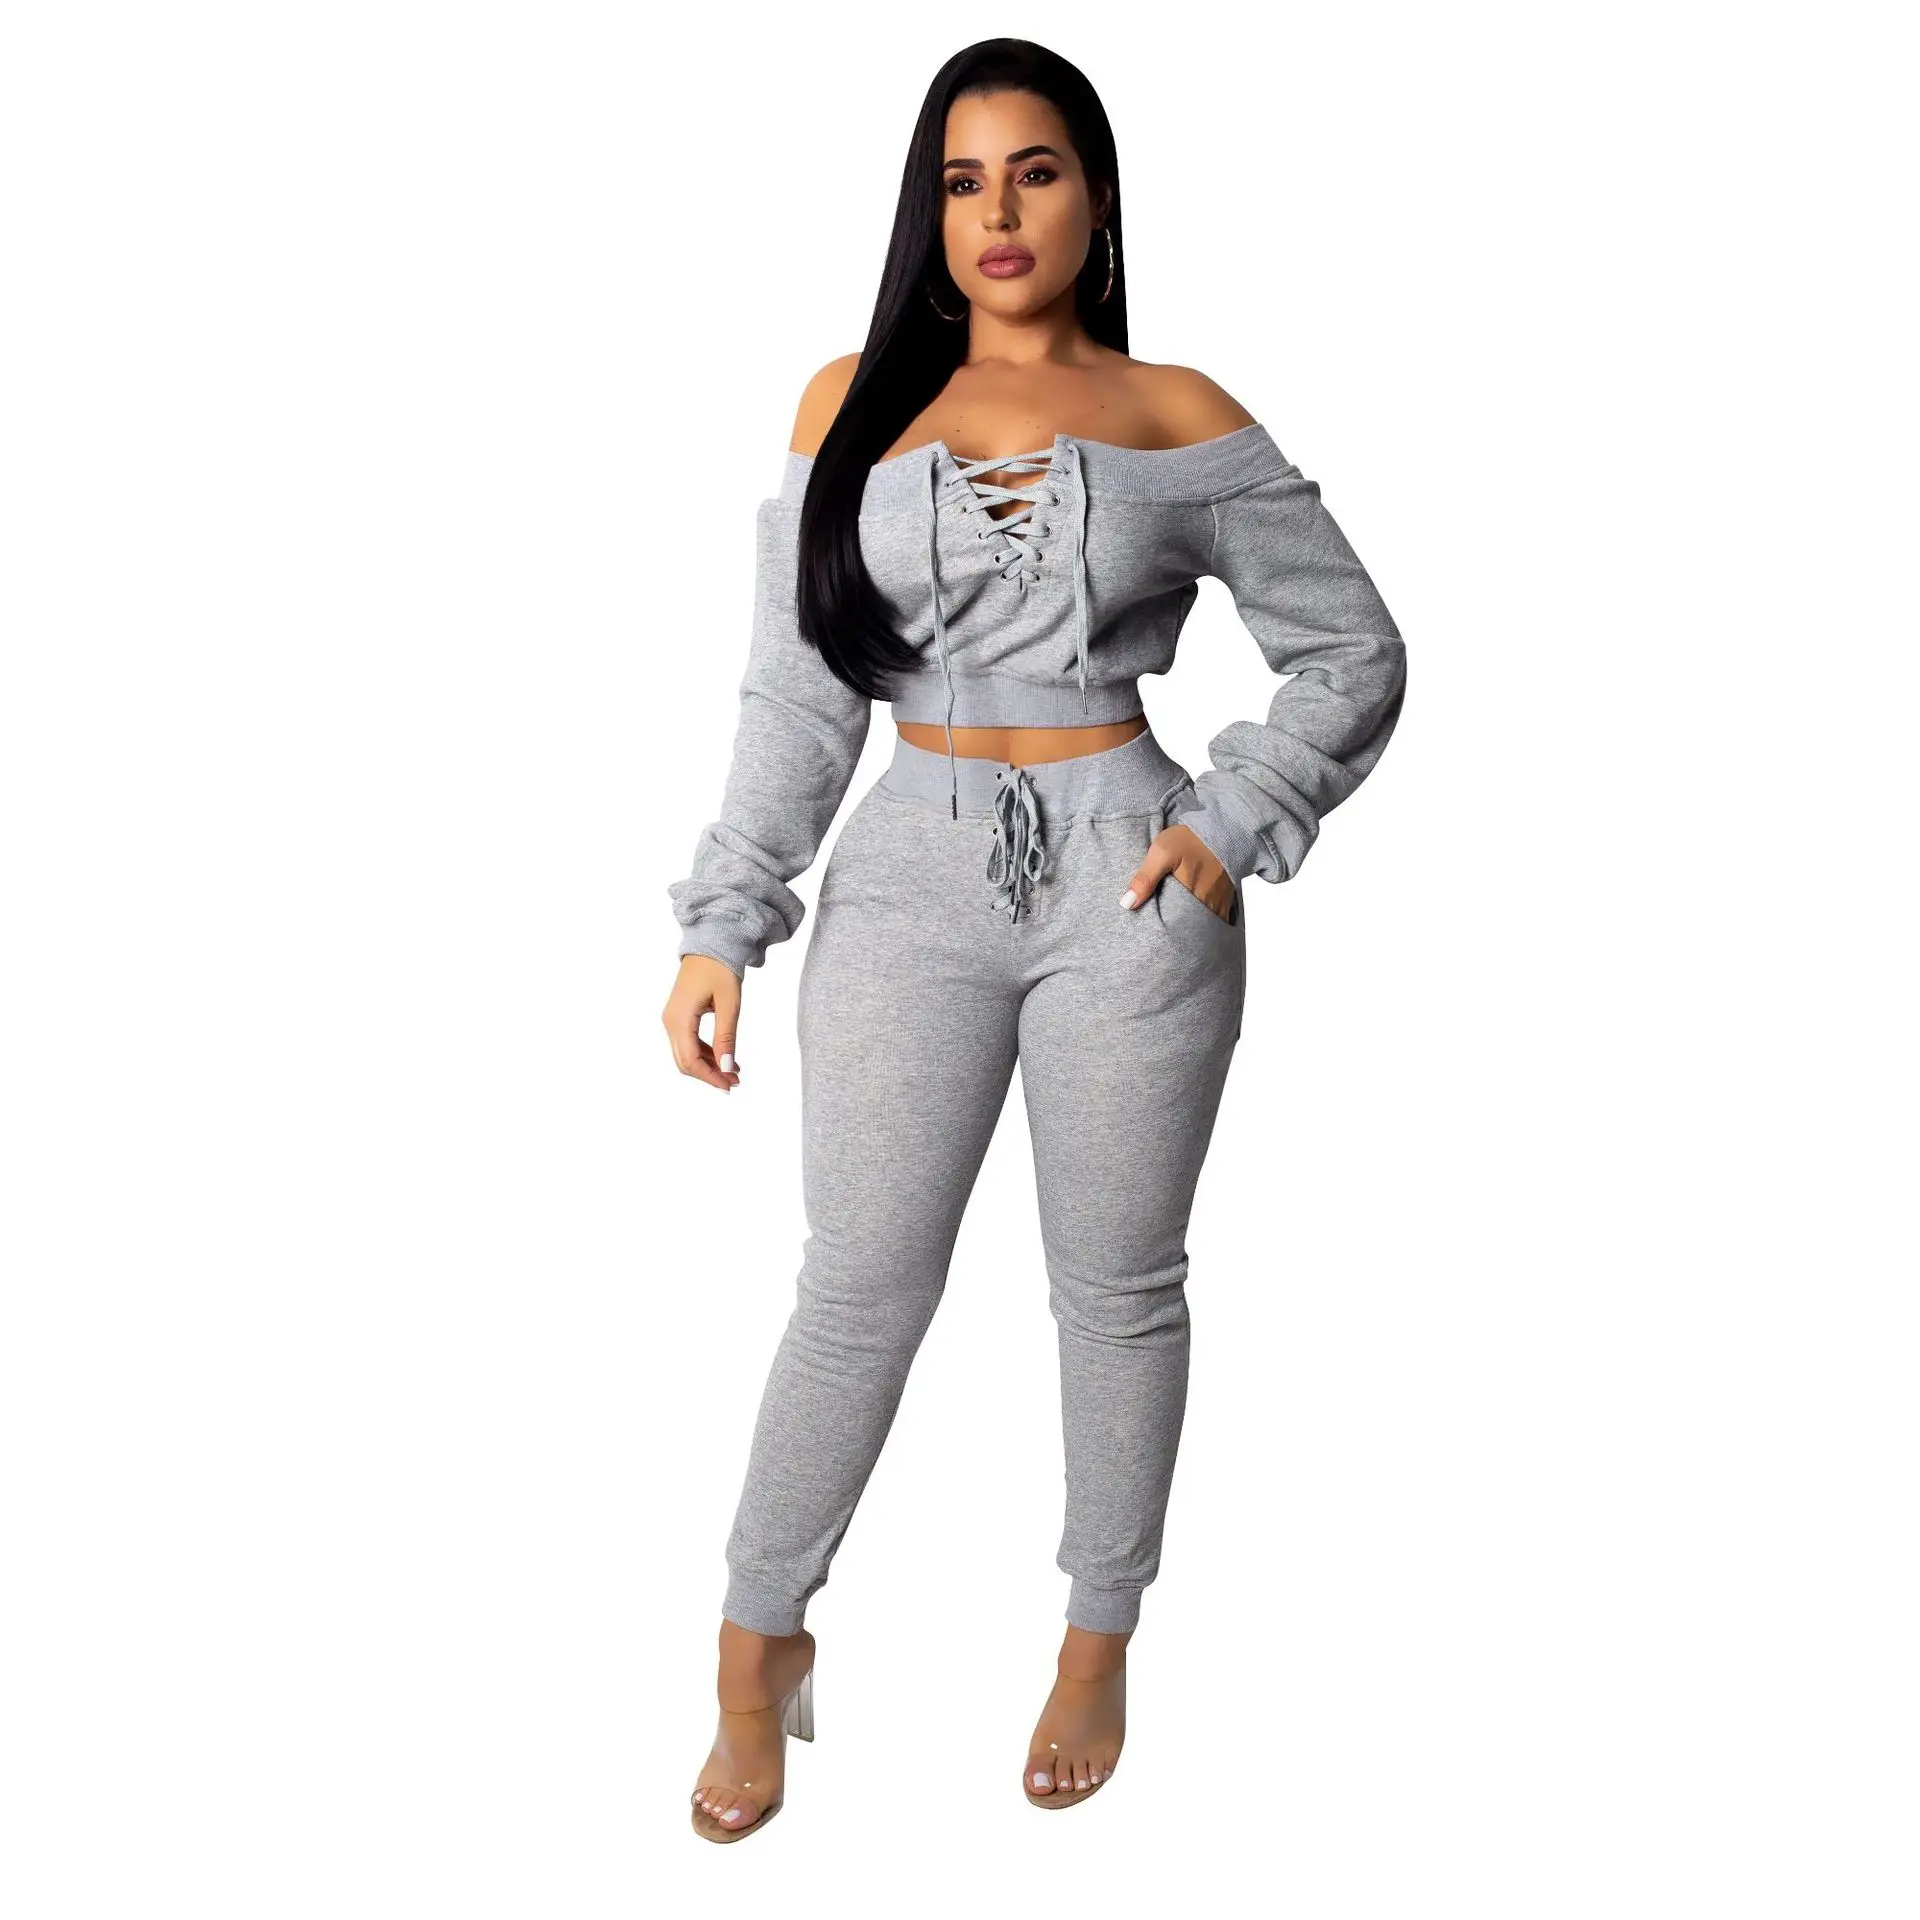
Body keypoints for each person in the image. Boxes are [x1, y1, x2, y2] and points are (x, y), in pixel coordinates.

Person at [664, 40, 1407, 1842]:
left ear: (1096, 195)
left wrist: (1228, 821)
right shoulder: (850, 403)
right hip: (905, 880)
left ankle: (1096, 1635)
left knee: (1117, 1289)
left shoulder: (1176, 412)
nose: (997, 212)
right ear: (929, 213)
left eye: (1036, 170)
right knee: (857, 1288)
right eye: (962, 179)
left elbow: (1354, 648)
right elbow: (794, 693)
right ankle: (757, 1647)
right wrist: (727, 920)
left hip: (1129, 887)